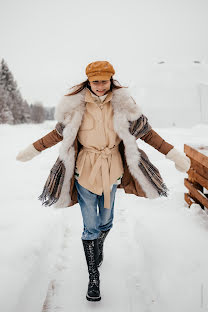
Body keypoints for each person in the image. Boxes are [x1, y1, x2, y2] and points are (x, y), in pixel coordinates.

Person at [16, 60, 191, 302]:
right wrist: (32, 150)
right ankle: (93, 277)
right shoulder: (75, 107)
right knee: (90, 226)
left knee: (106, 221)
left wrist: (173, 154)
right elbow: (57, 134)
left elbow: (148, 133)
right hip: (84, 172)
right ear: (89, 81)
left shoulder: (123, 105)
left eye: (104, 81)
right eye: (95, 81)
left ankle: (99, 245)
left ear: (111, 81)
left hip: (112, 171)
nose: (100, 86)